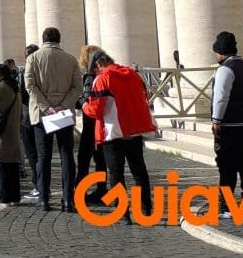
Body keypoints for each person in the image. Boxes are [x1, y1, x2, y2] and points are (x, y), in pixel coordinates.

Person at [82, 49, 156, 222]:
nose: (95, 73)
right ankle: (146, 208)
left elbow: (96, 110)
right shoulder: (133, 75)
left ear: (98, 64)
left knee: (116, 173)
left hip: (113, 132)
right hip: (135, 130)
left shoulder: (103, 79)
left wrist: (84, 105)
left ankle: (123, 212)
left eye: (94, 69)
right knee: (139, 171)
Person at [24, 27, 81, 212]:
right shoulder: (71, 59)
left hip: (42, 114)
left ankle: (43, 199)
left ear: (43, 39)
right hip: (64, 113)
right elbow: (77, 88)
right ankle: (68, 200)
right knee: (67, 155)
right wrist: (63, 105)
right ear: (59, 39)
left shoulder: (33, 58)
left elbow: (30, 86)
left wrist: (46, 107)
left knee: (43, 157)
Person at [210, 30, 243, 219]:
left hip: (231, 125)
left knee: (227, 165)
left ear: (220, 52)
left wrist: (216, 120)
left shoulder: (225, 70)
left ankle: (226, 207)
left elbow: (221, 98)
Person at [0, 63, 23, 206]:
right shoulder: (14, 86)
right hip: (13, 129)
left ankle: (4, 198)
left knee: (1, 166)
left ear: (0, 75)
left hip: (2, 131)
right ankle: (15, 197)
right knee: (12, 166)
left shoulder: (1, 87)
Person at [76, 44, 107, 203]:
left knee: (84, 159)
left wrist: (79, 102)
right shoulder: (104, 75)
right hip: (102, 122)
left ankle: (79, 192)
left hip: (90, 122)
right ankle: (101, 190)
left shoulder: (89, 76)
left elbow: (87, 98)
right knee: (100, 158)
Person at [18, 44, 40, 201]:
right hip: (45, 116)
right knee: (42, 154)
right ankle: (41, 184)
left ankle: (38, 185)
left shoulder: (25, 72)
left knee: (32, 154)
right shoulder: (44, 69)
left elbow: (22, 95)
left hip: (28, 117)